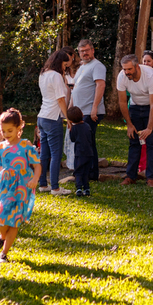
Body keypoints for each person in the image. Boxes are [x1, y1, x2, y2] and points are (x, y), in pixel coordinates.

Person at [0, 107, 40, 262]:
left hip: (22, 186)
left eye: (10, 130)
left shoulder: (26, 146)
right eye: (3, 131)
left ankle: (4, 253)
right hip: (5, 185)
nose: (6, 135)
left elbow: (37, 165)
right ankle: (1, 237)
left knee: (15, 220)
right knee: (2, 217)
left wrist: (35, 180)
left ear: (19, 128)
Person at [116, 54, 153, 187]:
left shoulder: (150, 75)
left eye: (129, 69)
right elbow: (122, 102)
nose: (126, 72)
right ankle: (130, 176)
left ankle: (150, 177)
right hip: (135, 105)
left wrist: (149, 128)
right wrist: (129, 124)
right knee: (134, 141)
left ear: (137, 66)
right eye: (124, 69)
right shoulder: (122, 76)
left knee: (152, 142)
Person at [36, 49, 72, 196]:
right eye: (65, 65)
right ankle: (56, 187)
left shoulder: (43, 74)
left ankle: (43, 184)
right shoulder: (56, 76)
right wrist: (67, 118)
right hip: (53, 117)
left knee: (44, 153)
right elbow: (60, 99)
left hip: (42, 116)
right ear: (60, 63)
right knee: (56, 154)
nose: (65, 68)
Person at [72, 39, 107, 181]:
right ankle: (88, 173)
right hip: (79, 112)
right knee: (86, 143)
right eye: (82, 51)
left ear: (93, 50)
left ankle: (90, 174)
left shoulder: (97, 66)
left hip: (90, 112)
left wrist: (94, 108)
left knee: (86, 144)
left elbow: (100, 86)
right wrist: (70, 109)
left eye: (87, 50)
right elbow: (76, 89)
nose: (85, 53)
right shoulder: (82, 67)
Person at [66, 106, 95, 196]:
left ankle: (79, 188)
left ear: (71, 121)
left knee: (78, 171)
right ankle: (86, 188)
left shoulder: (74, 129)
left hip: (79, 153)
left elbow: (73, 139)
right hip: (89, 153)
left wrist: (71, 130)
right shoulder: (87, 126)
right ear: (82, 114)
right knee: (86, 171)